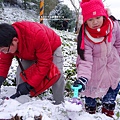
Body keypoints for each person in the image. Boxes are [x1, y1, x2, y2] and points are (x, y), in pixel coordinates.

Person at [73, 0, 120, 117]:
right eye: (90, 19)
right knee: (90, 90)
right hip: (94, 70)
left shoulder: (114, 26)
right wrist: (83, 78)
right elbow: (85, 60)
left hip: (112, 66)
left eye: (98, 17)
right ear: (85, 20)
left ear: (104, 14)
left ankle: (107, 109)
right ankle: (90, 110)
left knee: (113, 87)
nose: (95, 22)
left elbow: (118, 43)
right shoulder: (86, 37)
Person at [0, 21, 65, 105]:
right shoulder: (5, 42)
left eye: (4, 50)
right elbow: (4, 62)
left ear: (15, 40)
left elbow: (44, 63)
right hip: (29, 51)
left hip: (51, 47)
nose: (4, 52)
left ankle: (59, 102)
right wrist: (1, 77)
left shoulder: (36, 34)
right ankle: (21, 100)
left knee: (57, 73)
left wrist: (29, 84)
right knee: (21, 71)